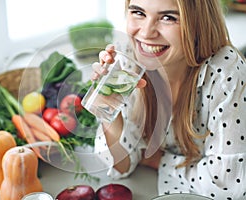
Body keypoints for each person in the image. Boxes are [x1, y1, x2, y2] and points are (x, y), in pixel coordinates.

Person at [91, 0, 246, 199]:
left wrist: (159, 161)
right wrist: (108, 111)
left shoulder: (226, 73)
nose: (146, 33)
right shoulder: (129, 55)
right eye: (138, 12)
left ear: (198, 23)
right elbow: (123, 165)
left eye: (168, 17)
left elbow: (229, 186)